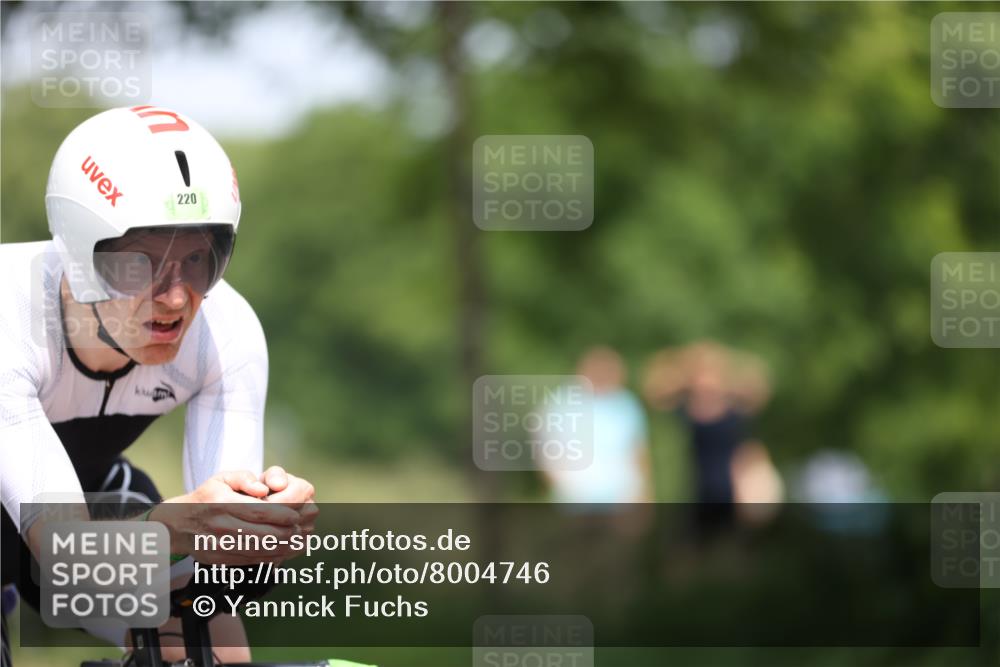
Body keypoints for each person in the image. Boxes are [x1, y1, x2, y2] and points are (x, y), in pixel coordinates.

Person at [0, 106, 316, 665]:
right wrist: (183, 523)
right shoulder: (11, 317)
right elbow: (67, 556)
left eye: (199, 260)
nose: (175, 298)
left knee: (197, 630)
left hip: (74, 506)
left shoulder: (227, 330)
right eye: (140, 265)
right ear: (78, 256)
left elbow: (218, 577)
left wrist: (259, 526)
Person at [642, 341, 773, 539]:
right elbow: (653, 389)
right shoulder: (686, 411)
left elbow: (761, 382)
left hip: (733, 497)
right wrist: (684, 363)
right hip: (692, 497)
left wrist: (726, 359)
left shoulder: (736, 413)